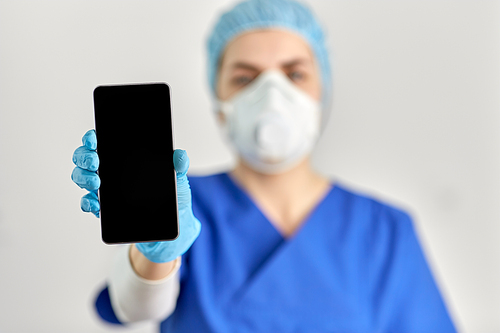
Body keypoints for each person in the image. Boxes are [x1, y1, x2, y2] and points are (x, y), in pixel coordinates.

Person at [71, 0, 457, 331]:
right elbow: (136, 306)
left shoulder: (382, 232)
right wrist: (155, 253)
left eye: (294, 74)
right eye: (245, 78)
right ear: (218, 101)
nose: (272, 95)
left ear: (321, 89)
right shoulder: (181, 203)